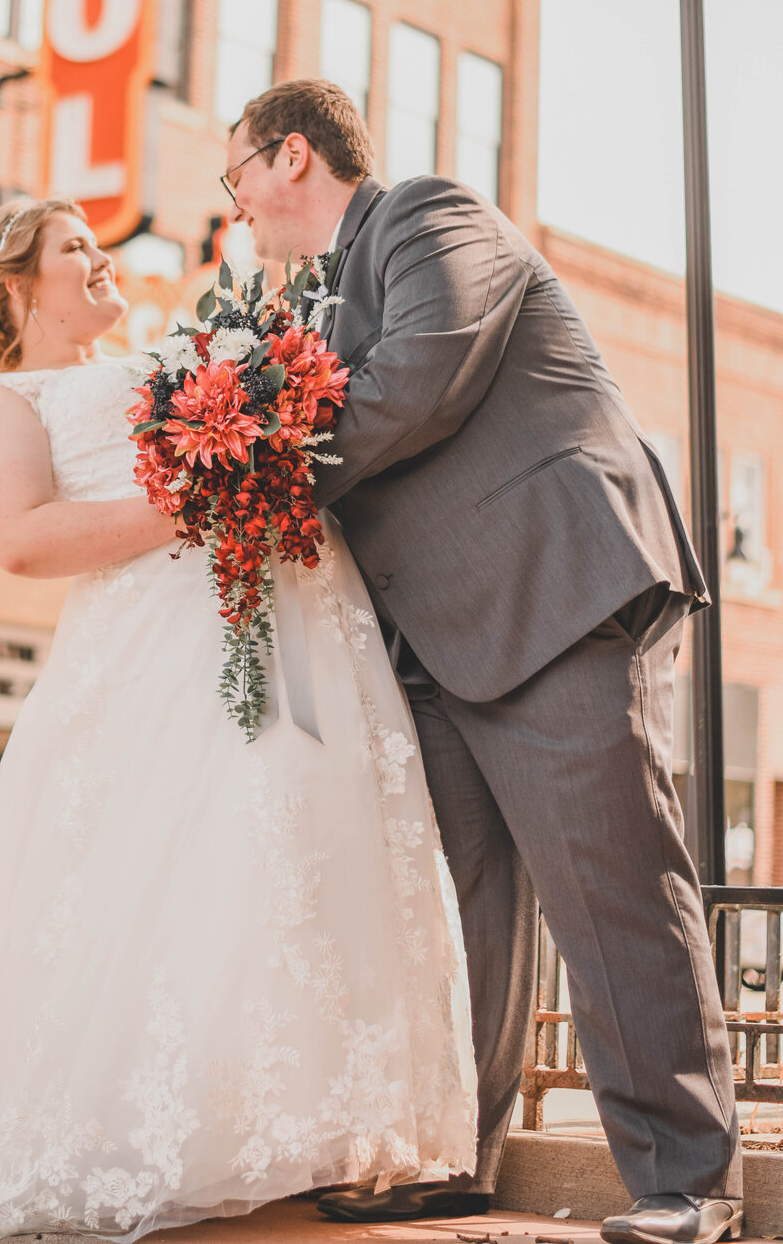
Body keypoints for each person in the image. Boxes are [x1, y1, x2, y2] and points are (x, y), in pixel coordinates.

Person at [224, 80, 742, 1244]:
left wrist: (258, 472)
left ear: (290, 154)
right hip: (437, 641)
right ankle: (459, 1152)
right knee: (461, 917)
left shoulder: (427, 216)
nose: (240, 205)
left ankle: (686, 1181)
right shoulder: (310, 304)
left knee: (613, 892)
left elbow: (425, 370)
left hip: (550, 593)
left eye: (239, 176)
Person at [0, 196, 476, 1241]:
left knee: (296, 853)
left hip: (279, 635)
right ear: (14, 287)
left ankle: (295, 1126)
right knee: (184, 867)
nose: (100, 259)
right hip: (151, 660)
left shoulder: (174, 354)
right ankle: (172, 1130)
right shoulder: (0, 403)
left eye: (99, 244)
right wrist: (202, 500)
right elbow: (22, 539)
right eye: (75, 248)